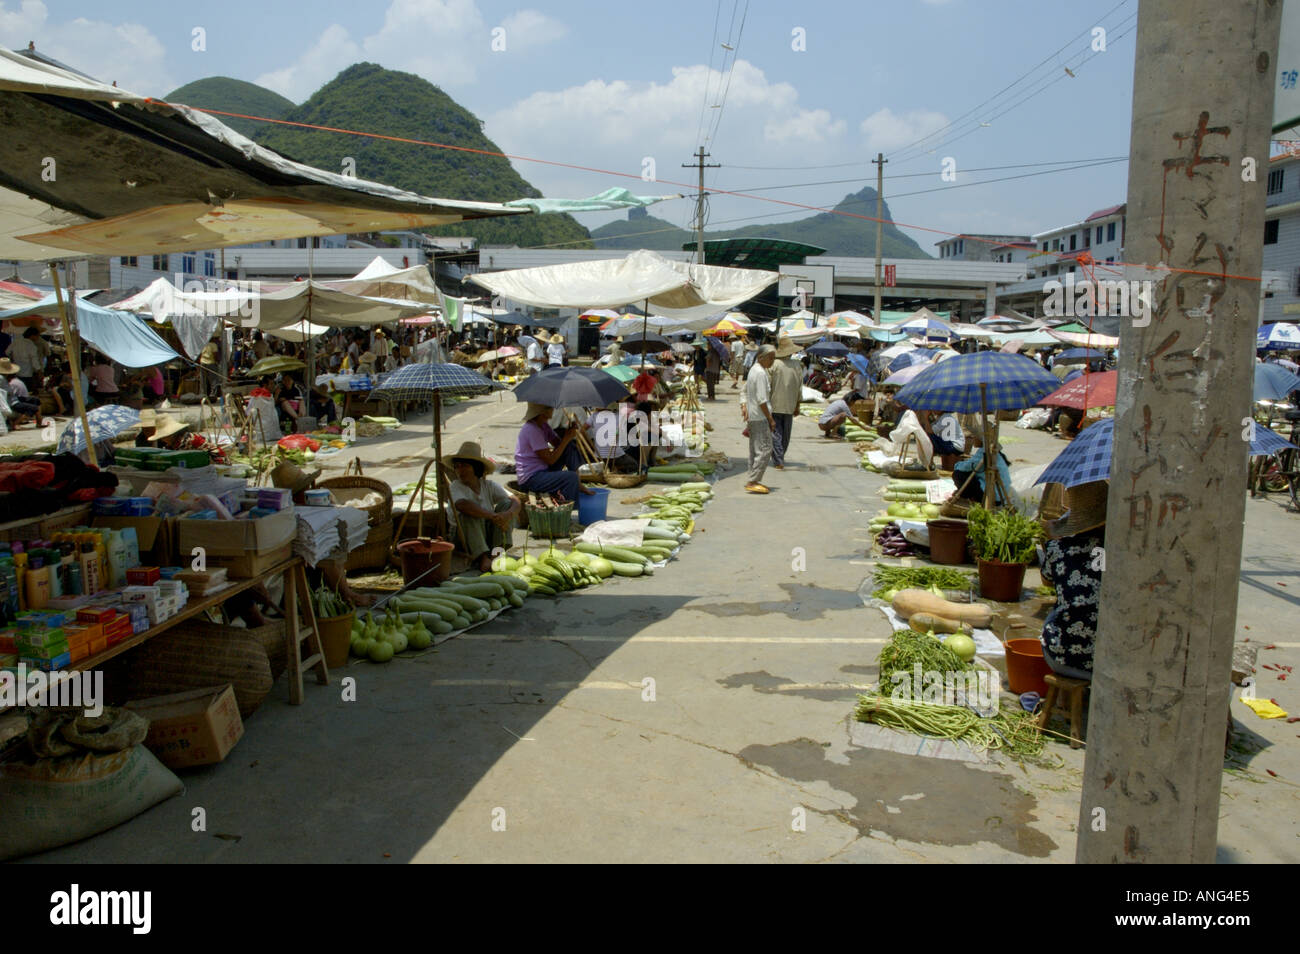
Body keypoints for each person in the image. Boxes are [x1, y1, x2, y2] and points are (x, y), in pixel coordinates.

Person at [1039, 481, 1107, 680]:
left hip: (1060, 658)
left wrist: (1051, 541)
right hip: (1109, 662)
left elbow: (1047, 582)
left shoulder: (1058, 548)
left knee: (1057, 612)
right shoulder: (1114, 551)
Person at [445, 441, 520, 572]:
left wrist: (507, 515)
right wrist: (492, 516)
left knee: (506, 505)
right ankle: (482, 558)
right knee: (470, 512)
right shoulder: (455, 486)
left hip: (487, 533)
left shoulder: (488, 486)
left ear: (476, 468)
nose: (459, 470)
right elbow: (462, 505)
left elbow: (515, 500)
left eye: (464, 466)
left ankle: (496, 553)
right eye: (457, 466)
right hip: (464, 538)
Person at [515, 403, 594, 502]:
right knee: (570, 477)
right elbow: (550, 460)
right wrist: (566, 439)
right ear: (543, 412)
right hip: (531, 479)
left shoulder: (543, 425)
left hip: (542, 470)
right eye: (550, 408)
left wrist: (568, 432)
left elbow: (558, 444)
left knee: (570, 447)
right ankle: (569, 505)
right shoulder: (532, 429)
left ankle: (578, 483)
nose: (553, 410)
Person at [742, 344, 778, 494]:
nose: (772, 361)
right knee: (765, 448)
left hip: (754, 416)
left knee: (755, 449)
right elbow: (762, 399)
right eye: (771, 358)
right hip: (760, 416)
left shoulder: (754, 370)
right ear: (761, 357)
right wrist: (770, 419)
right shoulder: (761, 373)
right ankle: (753, 480)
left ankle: (753, 478)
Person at [769, 338, 803, 470]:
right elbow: (800, 387)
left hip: (775, 403)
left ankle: (778, 459)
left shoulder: (774, 364)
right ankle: (780, 456)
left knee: (776, 433)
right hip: (790, 403)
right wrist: (798, 404)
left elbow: (768, 385)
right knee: (785, 434)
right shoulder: (796, 365)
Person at [0, 358, 39, 427]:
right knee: (33, 408)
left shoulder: (5, 379)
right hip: (11, 402)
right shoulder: (1, 379)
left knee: (35, 400)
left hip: (13, 399)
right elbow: (7, 393)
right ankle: (16, 424)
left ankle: (36, 420)